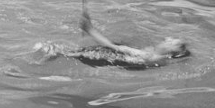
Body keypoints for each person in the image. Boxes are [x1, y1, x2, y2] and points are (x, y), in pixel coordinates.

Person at [60, 13, 189, 69]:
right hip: (118, 59)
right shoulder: (158, 58)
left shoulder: (150, 57)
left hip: (109, 58)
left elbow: (115, 48)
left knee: (63, 52)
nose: (167, 38)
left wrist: (90, 29)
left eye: (171, 42)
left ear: (170, 53)